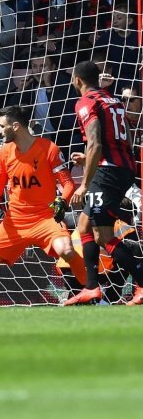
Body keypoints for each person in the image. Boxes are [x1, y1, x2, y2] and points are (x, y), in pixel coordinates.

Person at [0, 106, 87, 296]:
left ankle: (92, 292)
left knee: (66, 250)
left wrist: (62, 201)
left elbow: (67, 184)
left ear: (15, 126)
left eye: (2, 126)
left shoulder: (49, 149)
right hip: (15, 220)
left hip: (45, 217)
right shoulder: (4, 153)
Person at [65, 60, 143, 305]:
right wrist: (91, 158)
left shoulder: (86, 102)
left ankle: (141, 282)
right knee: (84, 226)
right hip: (122, 166)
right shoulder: (114, 101)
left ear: (78, 80)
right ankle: (91, 287)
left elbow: (96, 143)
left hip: (107, 172)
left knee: (103, 236)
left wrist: (84, 184)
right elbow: (126, 141)